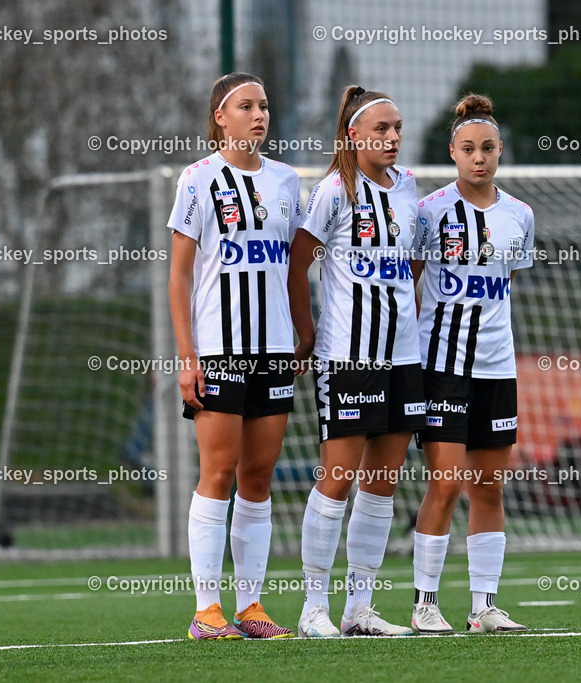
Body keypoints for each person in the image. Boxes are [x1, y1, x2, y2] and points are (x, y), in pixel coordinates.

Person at [168, 72, 303, 640]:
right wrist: (186, 356)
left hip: (273, 349)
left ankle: (251, 607)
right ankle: (206, 609)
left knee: (258, 476)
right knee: (217, 471)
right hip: (219, 349)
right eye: (246, 106)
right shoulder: (198, 180)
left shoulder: (287, 181)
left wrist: (302, 329)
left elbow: (295, 265)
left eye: (264, 105)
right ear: (220, 117)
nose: (259, 115)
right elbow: (178, 274)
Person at [288, 85, 424, 637]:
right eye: (381, 130)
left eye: (397, 129)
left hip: (403, 357)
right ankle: (312, 609)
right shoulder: (333, 193)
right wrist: (307, 331)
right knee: (338, 476)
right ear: (354, 134)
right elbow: (297, 266)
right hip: (348, 356)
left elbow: (413, 263)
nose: (392, 138)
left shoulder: (410, 186)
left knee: (382, 482)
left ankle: (359, 609)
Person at [409, 94, 534, 634]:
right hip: (442, 366)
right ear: (453, 153)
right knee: (447, 483)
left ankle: (484, 606)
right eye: (468, 149)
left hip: (497, 368)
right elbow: (408, 284)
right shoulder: (430, 212)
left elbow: (502, 287)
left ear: (500, 151)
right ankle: (424, 604)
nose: (479, 157)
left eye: (487, 148)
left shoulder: (520, 216)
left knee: (488, 487)